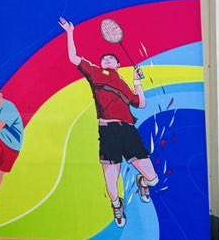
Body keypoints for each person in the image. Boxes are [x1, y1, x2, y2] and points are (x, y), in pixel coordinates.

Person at [59, 17, 157, 227]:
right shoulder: (95, 72)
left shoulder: (123, 84)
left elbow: (140, 104)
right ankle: (116, 204)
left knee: (153, 179)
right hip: (108, 131)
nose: (107, 59)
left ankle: (143, 182)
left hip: (128, 131)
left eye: (111, 58)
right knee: (111, 183)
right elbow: (73, 57)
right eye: (105, 58)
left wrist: (137, 82)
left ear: (118, 65)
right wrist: (70, 33)